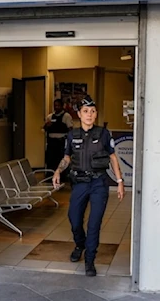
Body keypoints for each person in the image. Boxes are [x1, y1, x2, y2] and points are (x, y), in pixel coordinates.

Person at [52, 95, 125, 277]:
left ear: (96, 114)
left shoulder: (103, 134)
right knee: (74, 218)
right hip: (79, 184)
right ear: (79, 114)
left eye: (92, 111)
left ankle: (90, 260)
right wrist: (57, 171)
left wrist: (120, 182)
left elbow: (113, 157)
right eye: (85, 111)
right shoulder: (72, 135)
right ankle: (79, 244)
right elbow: (67, 157)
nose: (89, 114)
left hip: (99, 183)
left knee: (94, 223)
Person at [44, 99, 74, 177]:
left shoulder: (66, 116)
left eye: (58, 105)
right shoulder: (50, 116)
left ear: (62, 106)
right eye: (55, 106)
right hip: (51, 142)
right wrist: (47, 126)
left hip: (61, 141)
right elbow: (44, 129)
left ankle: (62, 175)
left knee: (61, 159)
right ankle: (50, 175)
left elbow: (70, 129)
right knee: (51, 160)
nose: (56, 107)